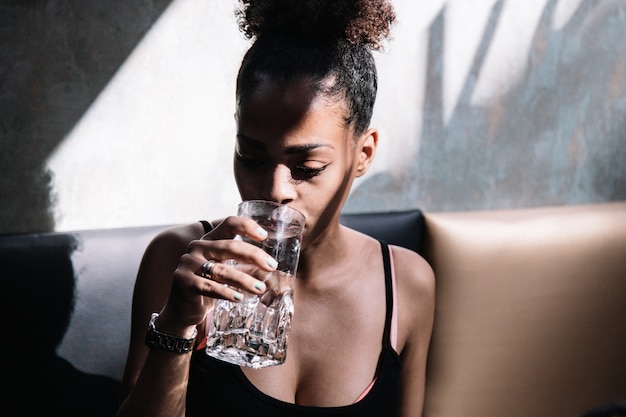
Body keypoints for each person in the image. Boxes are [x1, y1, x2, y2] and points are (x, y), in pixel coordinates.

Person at [116, 1, 435, 416]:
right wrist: (177, 326)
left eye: (306, 168)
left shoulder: (407, 284)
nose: (274, 189)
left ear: (364, 153)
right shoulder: (178, 261)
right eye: (251, 158)